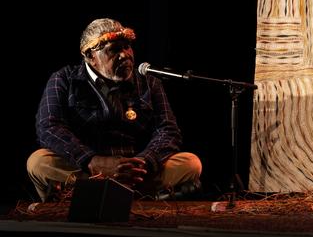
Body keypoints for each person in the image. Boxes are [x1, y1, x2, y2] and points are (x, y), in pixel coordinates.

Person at [27, 18, 202, 201]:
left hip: (137, 172)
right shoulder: (64, 79)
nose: (125, 55)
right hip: (87, 170)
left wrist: (144, 163)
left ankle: (102, 195)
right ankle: (128, 196)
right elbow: (49, 127)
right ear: (90, 56)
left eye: (127, 47)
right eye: (114, 50)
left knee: (191, 163)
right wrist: (92, 161)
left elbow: (168, 130)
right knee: (39, 162)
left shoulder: (150, 82)